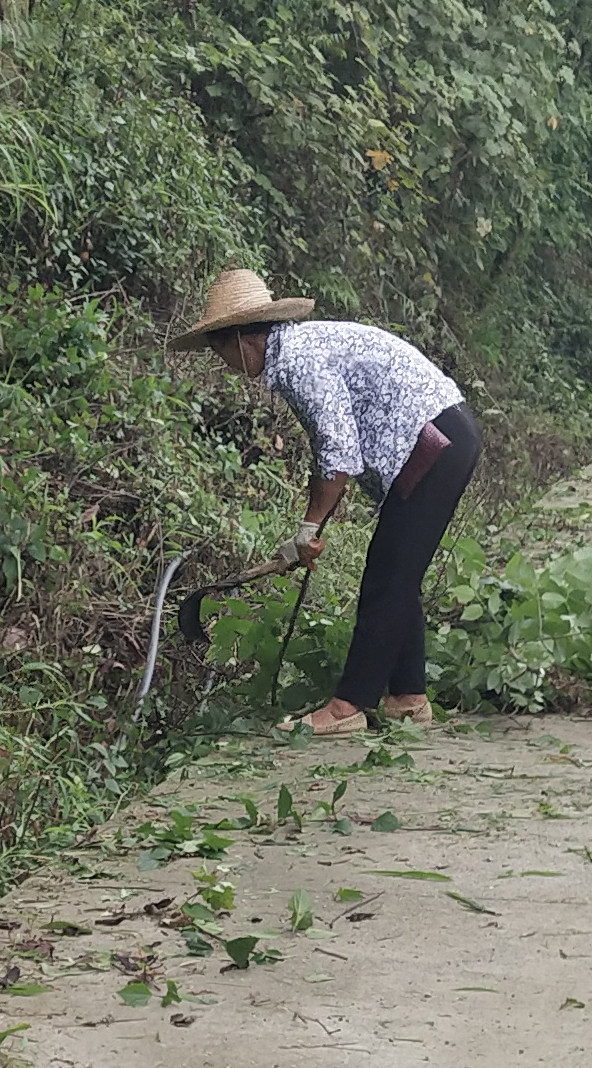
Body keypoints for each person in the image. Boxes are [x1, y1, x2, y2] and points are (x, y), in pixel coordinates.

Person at [171, 269, 477, 736]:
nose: (224, 363)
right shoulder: (297, 350)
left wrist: (307, 530)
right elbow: (336, 453)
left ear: (238, 338)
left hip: (435, 443)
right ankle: (408, 699)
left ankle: (348, 706)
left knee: (387, 579)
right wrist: (313, 525)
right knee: (397, 572)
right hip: (442, 439)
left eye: (219, 350)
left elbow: (336, 454)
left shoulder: (297, 360)